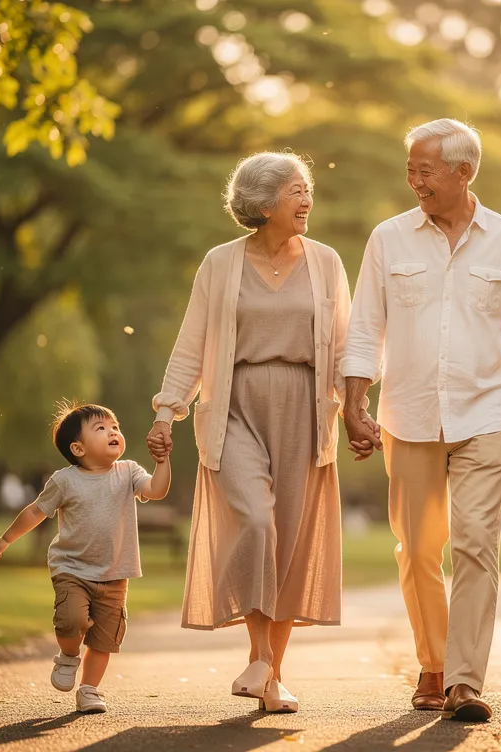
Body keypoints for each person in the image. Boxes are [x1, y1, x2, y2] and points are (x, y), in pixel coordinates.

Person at [342, 118, 501, 722]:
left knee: (475, 546)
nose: (414, 181)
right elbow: (365, 329)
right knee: (417, 549)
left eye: (425, 170)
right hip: (407, 415)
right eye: (410, 169)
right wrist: (354, 406)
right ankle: (432, 663)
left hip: (487, 412)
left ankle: (464, 680)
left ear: (464, 172)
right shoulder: (388, 238)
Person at [145, 151, 352, 714]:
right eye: (295, 190)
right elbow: (192, 344)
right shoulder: (220, 263)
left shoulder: (327, 261)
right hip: (235, 407)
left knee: (287, 539)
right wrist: (168, 411)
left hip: (304, 410)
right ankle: (260, 656)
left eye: (308, 188)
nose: (307, 199)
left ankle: (272, 675)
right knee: (257, 522)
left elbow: (344, 347)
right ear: (262, 204)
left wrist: (355, 410)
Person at [0, 401, 171, 714]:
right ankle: (69, 654)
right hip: (72, 569)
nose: (113, 432)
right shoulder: (65, 481)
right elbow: (35, 511)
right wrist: (7, 539)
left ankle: (89, 690)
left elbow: (156, 490)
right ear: (78, 448)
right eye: (101, 428)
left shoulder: (128, 472)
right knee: (71, 621)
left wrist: (163, 461)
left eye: (115, 427)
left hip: (115, 573)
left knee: (104, 640)